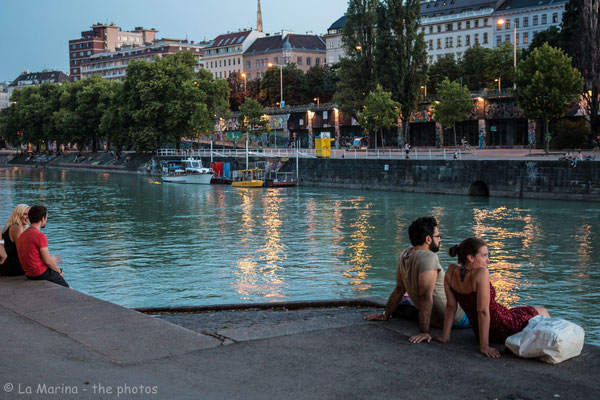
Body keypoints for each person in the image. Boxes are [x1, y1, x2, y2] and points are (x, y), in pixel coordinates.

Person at [434, 237, 549, 358]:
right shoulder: (481, 273)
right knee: (542, 311)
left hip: (480, 331)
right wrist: (484, 347)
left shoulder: (451, 271)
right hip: (503, 325)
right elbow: (482, 310)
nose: (488, 260)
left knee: (522, 311)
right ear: (471, 258)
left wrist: (445, 337)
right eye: (484, 255)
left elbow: (451, 306)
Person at [365, 217, 468, 343]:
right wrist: (423, 332)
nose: (440, 239)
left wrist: (386, 314)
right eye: (438, 236)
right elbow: (425, 296)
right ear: (428, 239)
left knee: (406, 300)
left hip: (436, 318)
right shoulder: (429, 257)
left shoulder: (405, 254)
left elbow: (400, 288)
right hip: (456, 318)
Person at [17, 205, 69, 288]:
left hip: (29, 274)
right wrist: (59, 271)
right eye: (46, 217)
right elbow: (47, 261)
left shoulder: (23, 235)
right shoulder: (39, 236)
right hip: (39, 273)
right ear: (42, 219)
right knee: (69, 289)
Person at [0, 204, 30, 276]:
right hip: (13, 268)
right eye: (25, 214)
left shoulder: (10, 227)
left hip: (7, 266)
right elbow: (21, 250)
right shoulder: (17, 228)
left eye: (29, 214)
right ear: (18, 215)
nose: (28, 217)